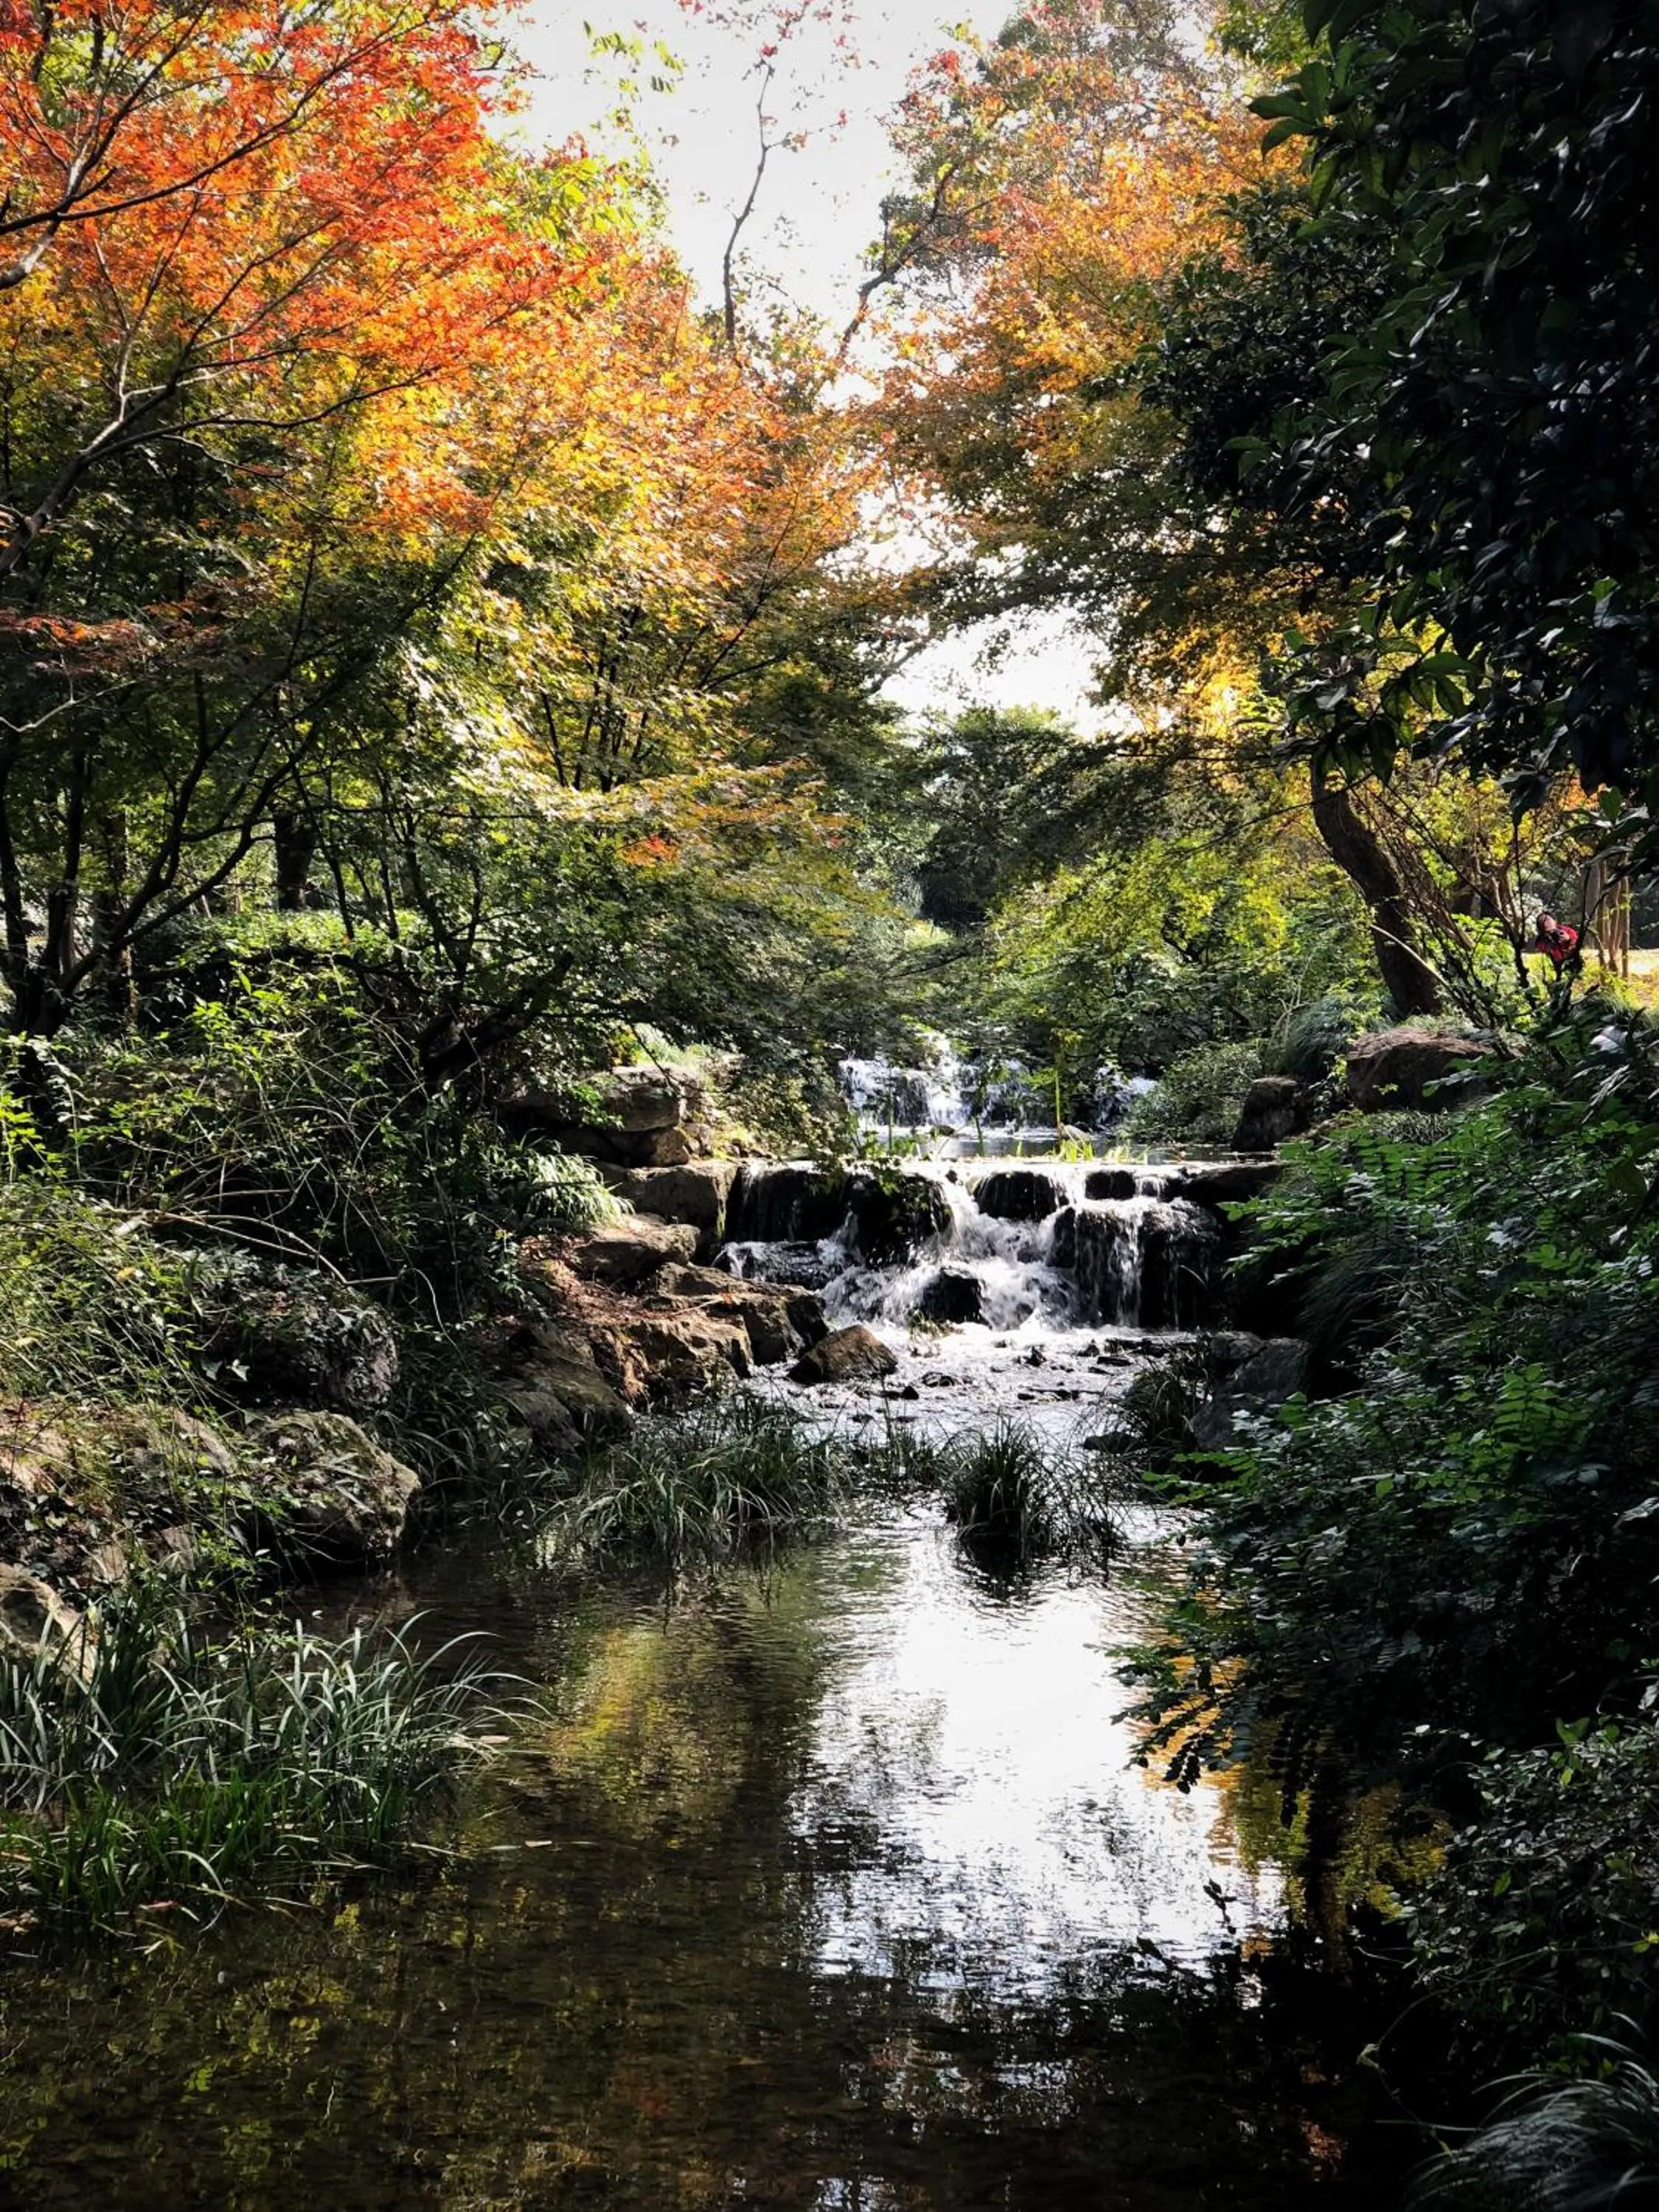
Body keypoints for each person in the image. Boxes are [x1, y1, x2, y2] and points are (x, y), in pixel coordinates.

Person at [1534, 911, 1582, 975]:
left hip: (1573, 967)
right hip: (1554, 971)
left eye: (1548, 920)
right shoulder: (1540, 941)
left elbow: (1577, 946)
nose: (1545, 924)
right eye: (1542, 922)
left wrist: (1569, 940)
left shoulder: (1568, 931)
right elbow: (1543, 955)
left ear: (1555, 921)